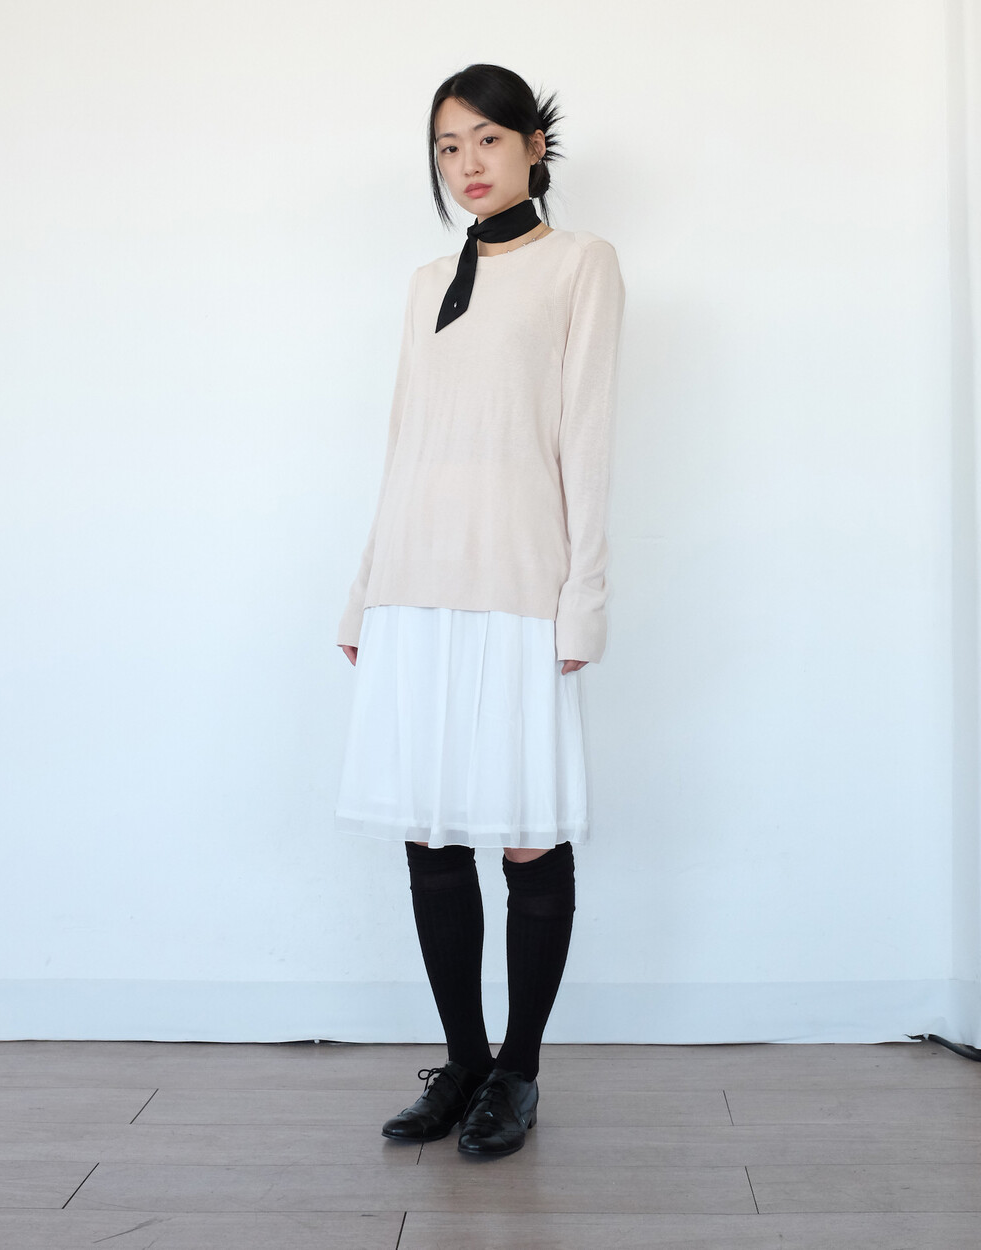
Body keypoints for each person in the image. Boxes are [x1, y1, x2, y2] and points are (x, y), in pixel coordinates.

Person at [334, 62, 625, 1159]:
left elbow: (587, 442)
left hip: (517, 584)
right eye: (448, 147)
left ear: (534, 147)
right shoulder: (425, 284)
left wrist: (581, 599)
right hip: (415, 581)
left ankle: (519, 1071)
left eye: (487, 140)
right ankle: (461, 1063)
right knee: (430, 828)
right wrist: (365, 587)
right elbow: (401, 442)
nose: (467, 164)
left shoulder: (582, 265)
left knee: (527, 833)